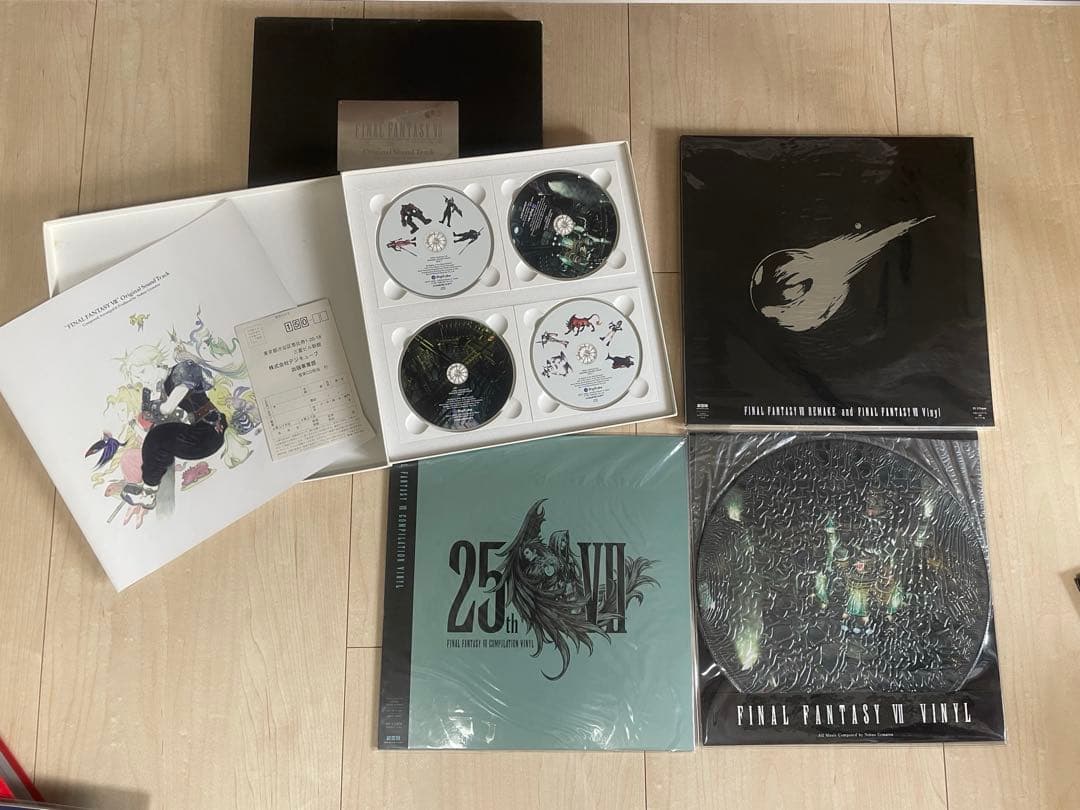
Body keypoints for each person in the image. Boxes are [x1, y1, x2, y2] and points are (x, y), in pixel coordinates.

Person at [121, 359, 226, 509]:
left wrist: (154, 407)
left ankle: (148, 494)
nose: (143, 379)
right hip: (206, 431)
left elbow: (167, 409)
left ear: (156, 363)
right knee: (157, 438)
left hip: (207, 435)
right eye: (138, 377)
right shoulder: (167, 382)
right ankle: (149, 489)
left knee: (156, 439)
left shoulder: (182, 371)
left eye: (143, 371)